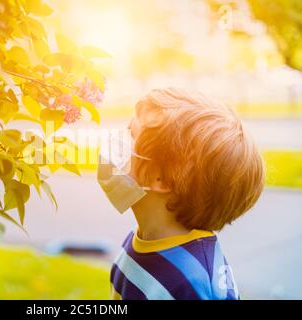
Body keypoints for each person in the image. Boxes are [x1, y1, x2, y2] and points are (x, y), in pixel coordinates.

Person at [97, 87, 265, 300]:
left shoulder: (191, 285)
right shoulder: (142, 240)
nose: (118, 141)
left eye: (131, 134)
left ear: (162, 178)